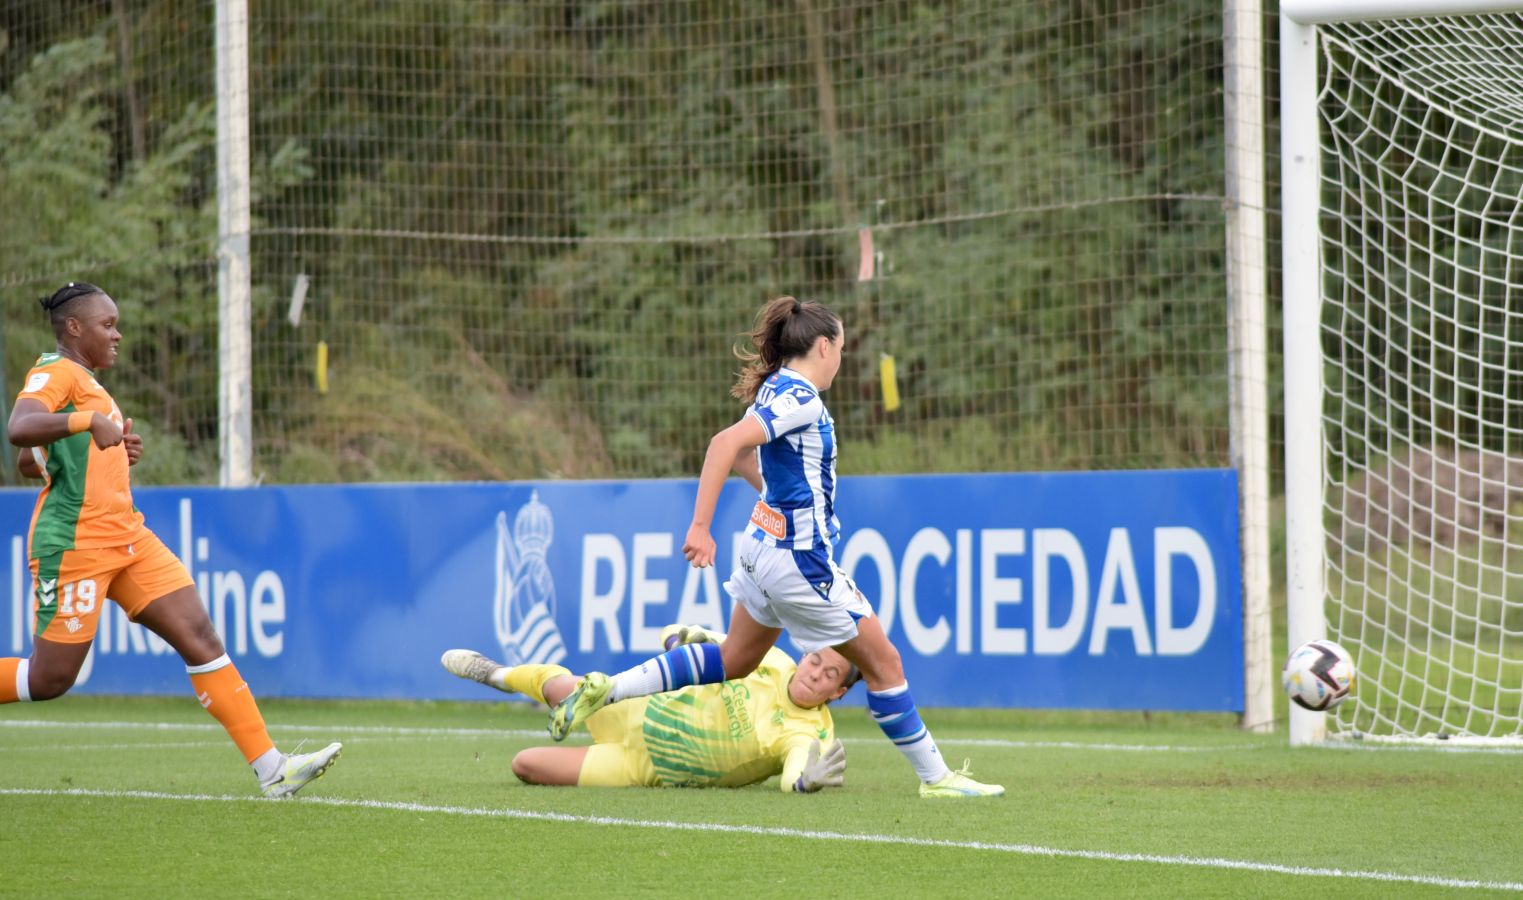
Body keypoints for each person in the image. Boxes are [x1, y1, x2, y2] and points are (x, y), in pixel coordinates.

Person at [549, 296, 1002, 798]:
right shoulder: (803, 396)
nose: (841, 360)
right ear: (824, 345)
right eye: (842, 349)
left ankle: (607, 689)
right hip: (798, 560)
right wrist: (700, 527)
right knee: (885, 663)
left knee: (735, 659)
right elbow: (725, 444)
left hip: (761, 545)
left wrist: (780, 498)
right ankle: (937, 780)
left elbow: (751, 456)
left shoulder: (774, 388)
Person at [0, 281, 342, 798]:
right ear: (74, 327)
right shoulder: (57, 371)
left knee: (199, 636)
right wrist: (89, 421)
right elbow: (19, 430)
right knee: (50, 679)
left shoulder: (89, 382)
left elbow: (35, 462)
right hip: (75, 542)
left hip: (128, 537)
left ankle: (273, 769)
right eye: (107, 325)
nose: (117, 335)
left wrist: (106, 448)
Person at [444, 624, 853, 791]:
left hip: (645, 768)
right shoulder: (772, 658)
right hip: (635, 709)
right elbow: (674, 632)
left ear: (837, 693)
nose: (814, 673)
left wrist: (805, 783)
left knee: (525, 765)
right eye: (815, 659)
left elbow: (795, 774)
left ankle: (516, 680)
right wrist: (686, 640)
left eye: (829, 674)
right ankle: (496, 674)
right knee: (560, 690)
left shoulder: (812, 734)